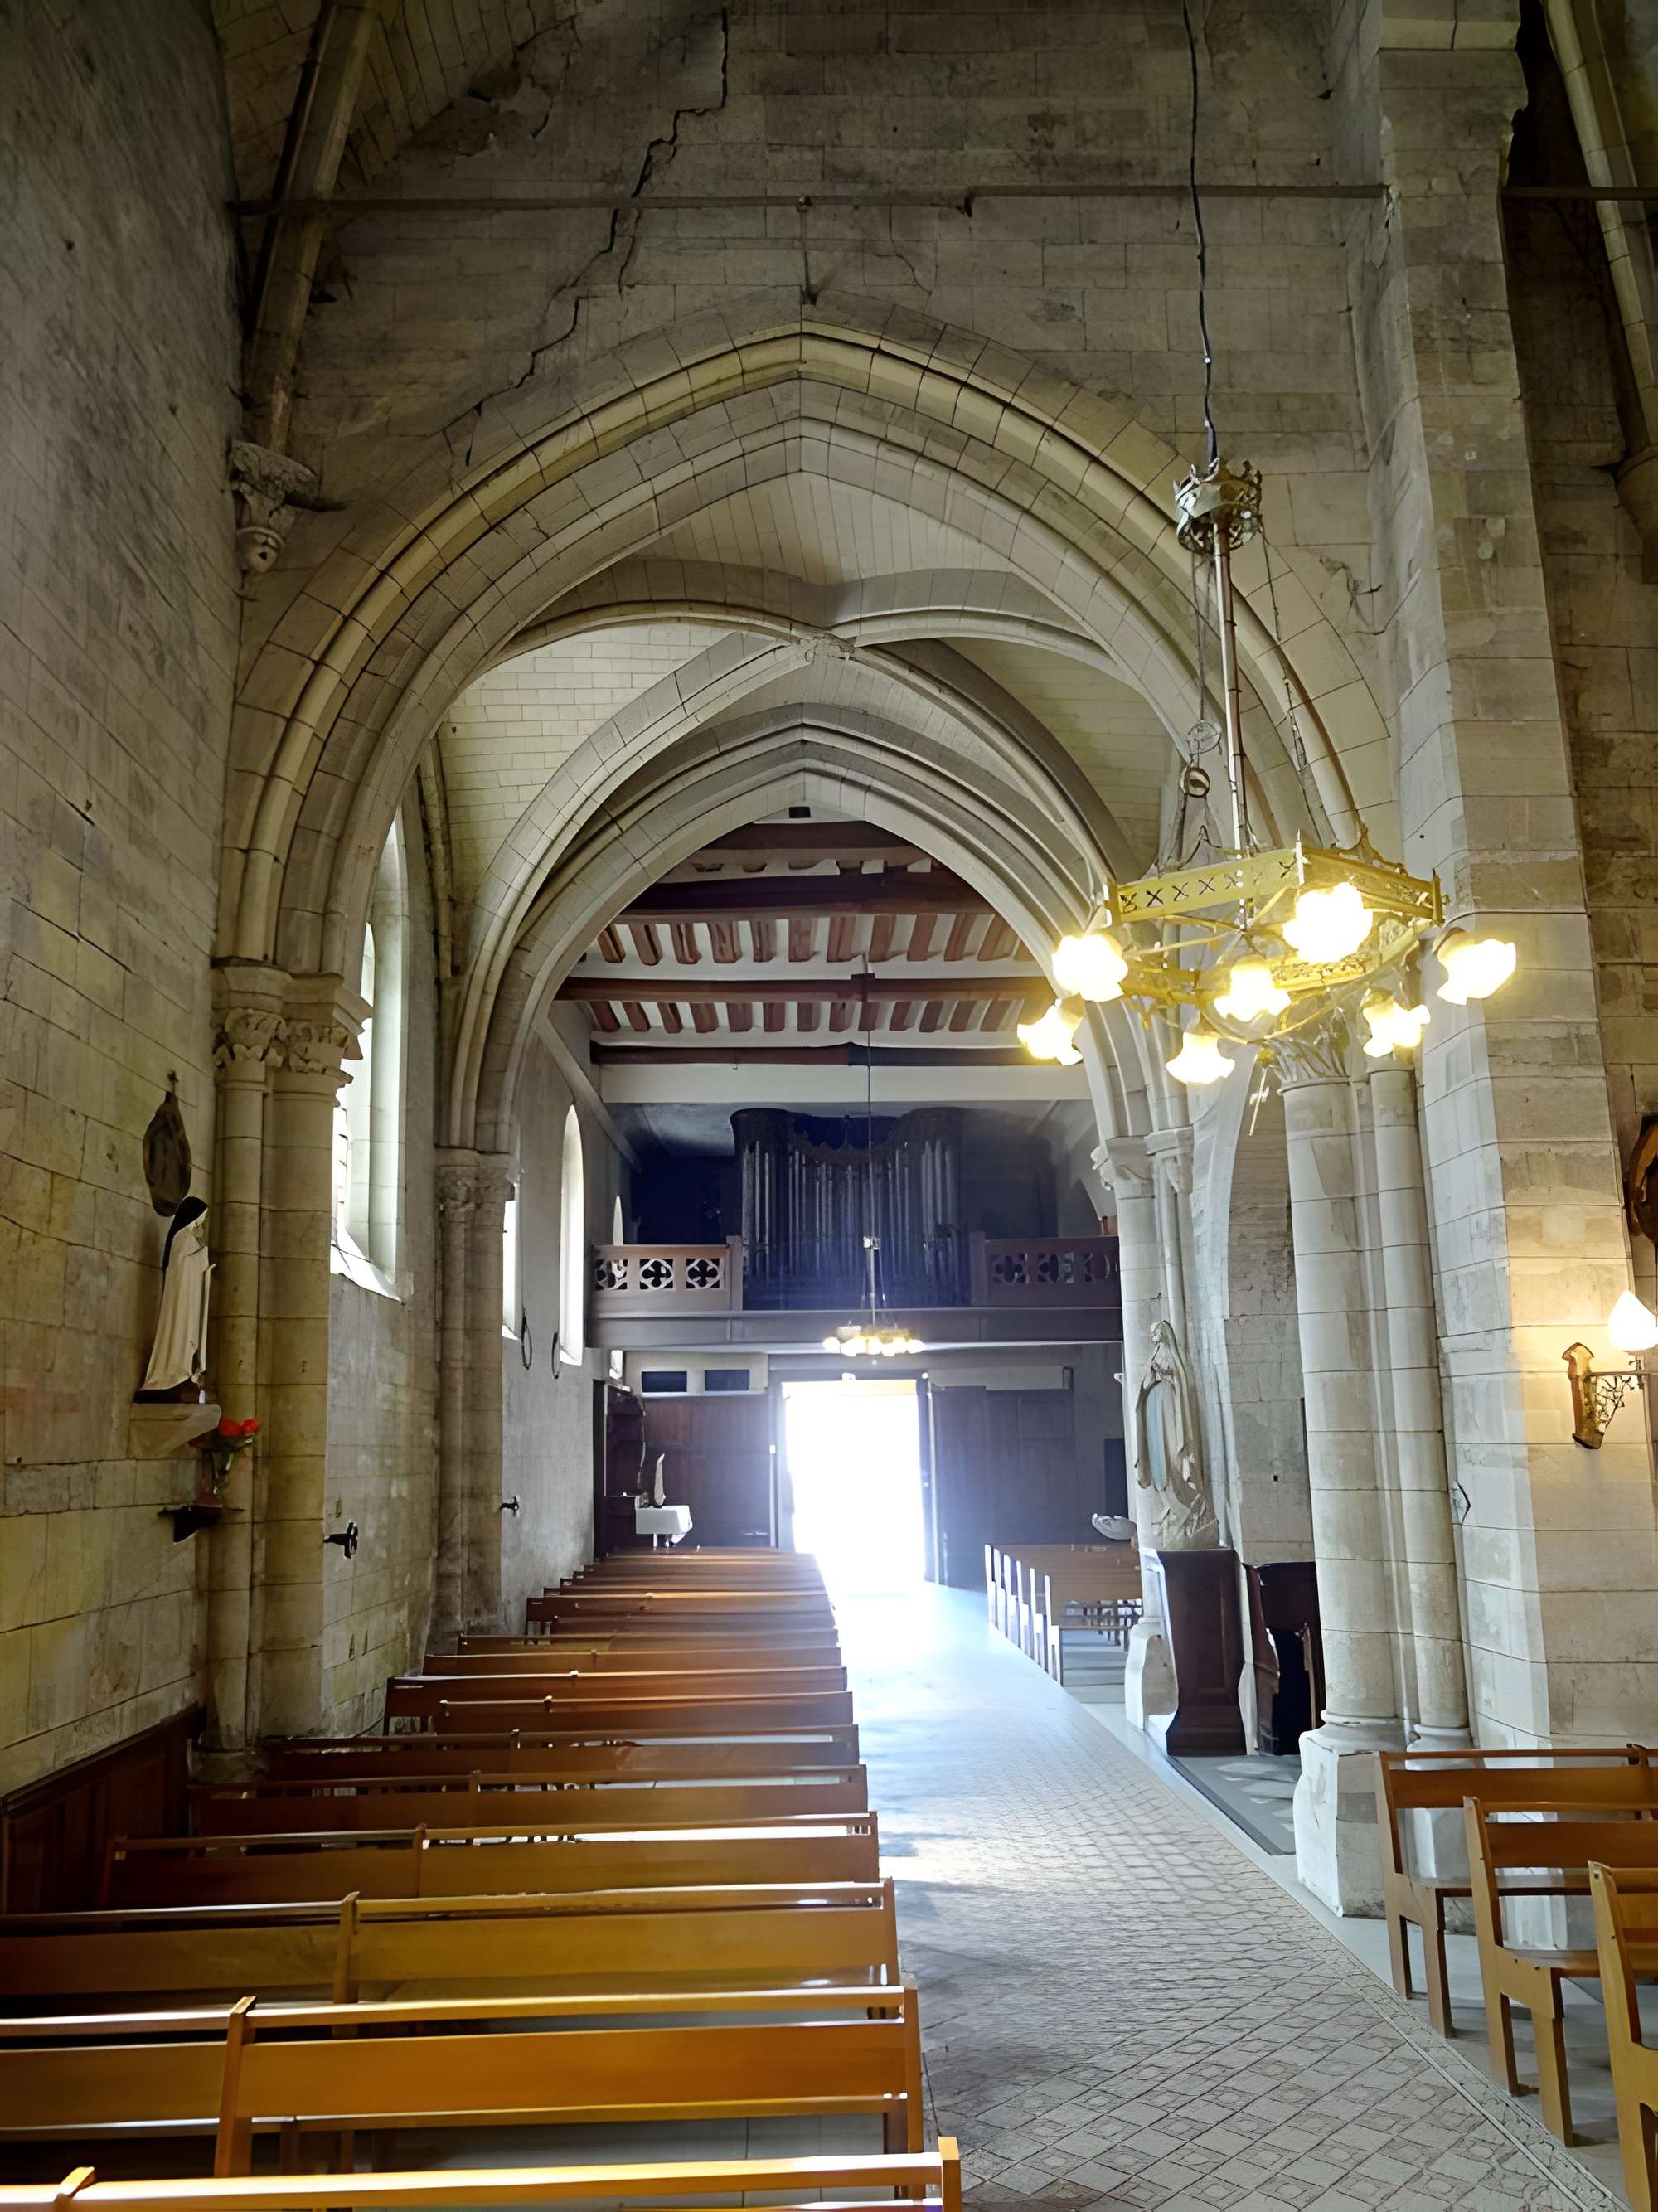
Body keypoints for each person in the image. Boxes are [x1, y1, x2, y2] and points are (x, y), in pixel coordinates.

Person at [138, 1197, 213, 1394]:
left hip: (190, 1295)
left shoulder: (190, 1240)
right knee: (181, 1330)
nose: (200, 1224)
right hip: (182, 1297)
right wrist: (204, 1253)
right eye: (200, 1219)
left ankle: (186, 1371)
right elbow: (182, 1264)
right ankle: (175, 1372)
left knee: (189, 1333)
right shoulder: (183, 1238)